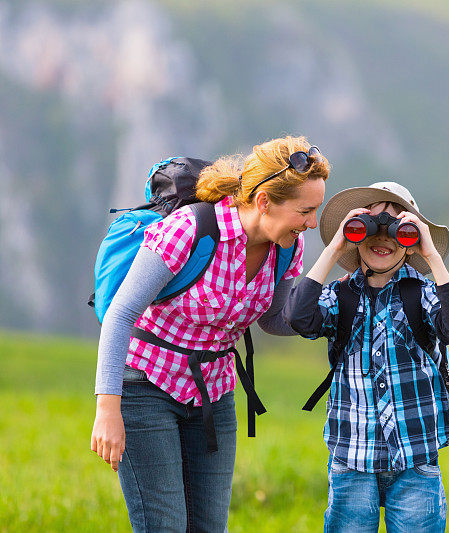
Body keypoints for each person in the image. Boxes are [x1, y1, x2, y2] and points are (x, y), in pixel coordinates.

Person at [90, 136, 329, 532]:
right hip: (146, 386)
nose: (312, 222)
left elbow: (275, 319)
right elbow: (121, 314)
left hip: (213, 396)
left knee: (208, 526)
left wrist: (334, 312)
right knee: (165, 524)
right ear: (265, 202)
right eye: (305, 210)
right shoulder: (191, 230)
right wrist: (107, 410)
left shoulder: (287, 246)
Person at [286, 181, 449, 532]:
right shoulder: (341, 296)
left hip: (415, 457)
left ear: (411, 241)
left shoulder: (424, 294)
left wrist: (430, 253)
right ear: (355, 237)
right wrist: (335, 245)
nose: (382, 237)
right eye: (370, 227)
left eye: (397, 230)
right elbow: (299, 317)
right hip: (353, 456)